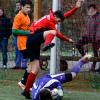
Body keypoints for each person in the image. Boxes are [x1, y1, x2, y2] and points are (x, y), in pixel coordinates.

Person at [19, 0, 85, 99]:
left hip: (33, 43)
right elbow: (57, 33)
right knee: (53, 32)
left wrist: (76, 8)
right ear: (56, 17)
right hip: (33, 38)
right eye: (59, 21)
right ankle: (47, 45)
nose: (59, 23)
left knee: (35, 69)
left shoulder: (52, 17)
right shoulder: (50, 20)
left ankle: (26, 91)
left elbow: (64, 16)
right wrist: (67, 39)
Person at [76, 4, 100, 72]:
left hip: (97, 38)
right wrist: (84, 35)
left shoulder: (99, 17)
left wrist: (97, 38)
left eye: (92, 10)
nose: (90, 11)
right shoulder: (88, 17)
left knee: (96, 53)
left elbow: (99, 29)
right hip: (88, 36)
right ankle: (85, 57)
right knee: (78, 44)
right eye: (89, 10)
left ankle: (94, 68)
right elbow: (87, 28)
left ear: (95, 10)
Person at [13, 0, 27, 69]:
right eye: (17, 6)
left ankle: (23, 65)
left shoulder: (25, 14)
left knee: (23, 50)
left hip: (22, 35)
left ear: (21, 6)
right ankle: (17, 64)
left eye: (19, 5)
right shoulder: (16, 13)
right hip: (16, 36)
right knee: (17, 50)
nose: (17, 7)